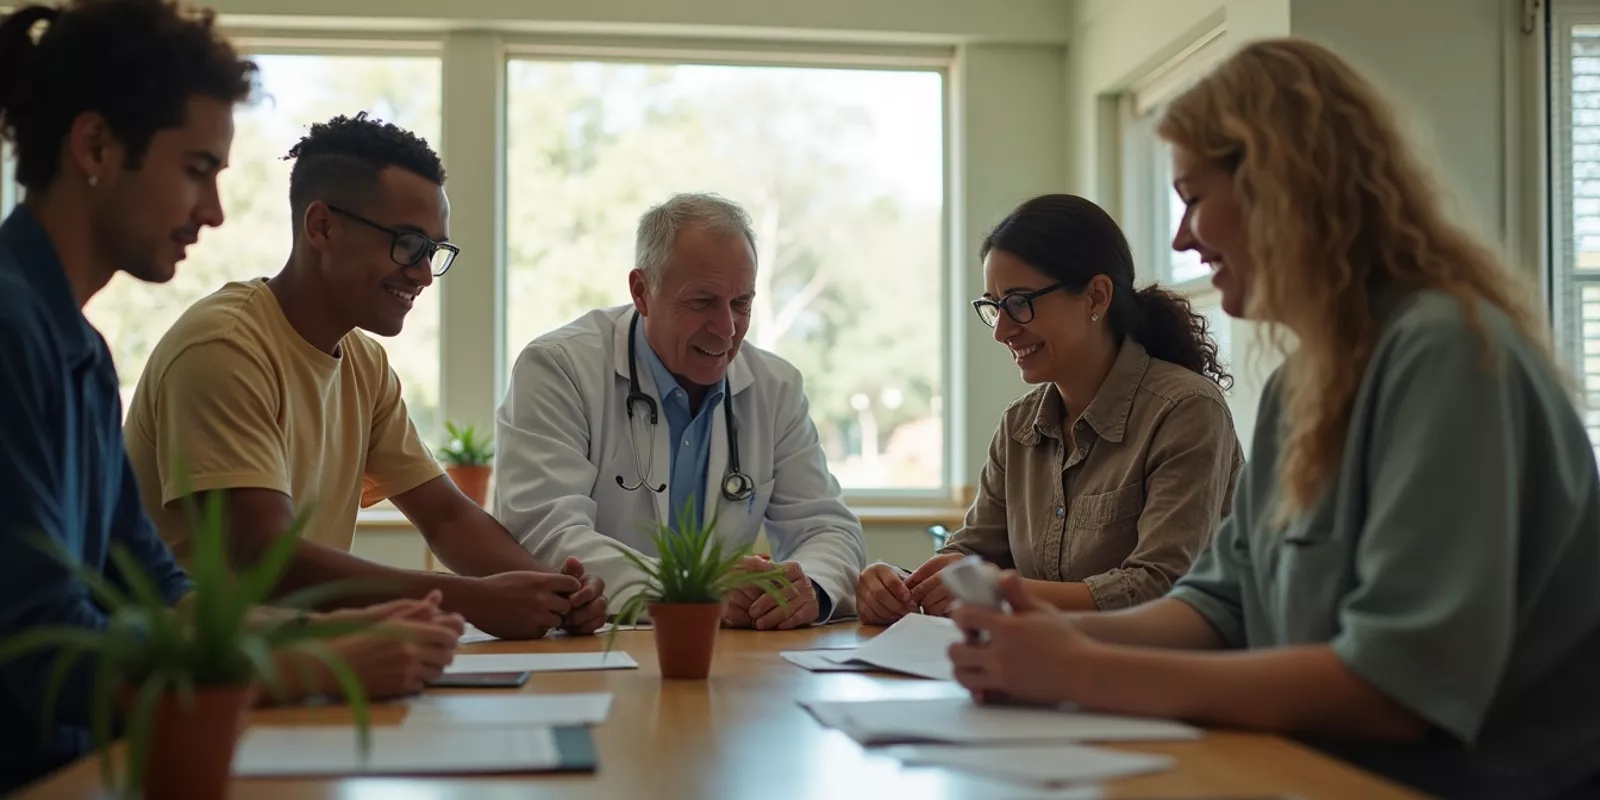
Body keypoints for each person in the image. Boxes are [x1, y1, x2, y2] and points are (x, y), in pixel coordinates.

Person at [946, 39, 1600, 800]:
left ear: (1279, 188)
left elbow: (1396, 686)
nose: (1181, 238)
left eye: (1192, 198)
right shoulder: (1302, 383)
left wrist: (1085, 669)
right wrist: (1050, 635)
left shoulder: (1447, 353)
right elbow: (1219, 606)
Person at [0, 1, 462, 792]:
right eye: (196, 170)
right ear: (96, 146)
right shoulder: (12, 331)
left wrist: (341, 628)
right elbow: (45, 652)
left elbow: (165, 592)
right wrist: (317, 659)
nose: (213, 212)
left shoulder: (77, 347)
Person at [122, 112, 606, 640]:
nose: (423, 273)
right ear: (322, 227)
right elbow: (266, 556)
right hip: (197, 683)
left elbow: (446, 517)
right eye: (407, 244)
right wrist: (468, 599)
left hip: (302, 664)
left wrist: (555, 592)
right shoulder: (224, 346)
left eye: (434, 251)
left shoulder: (364, 363)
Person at [856, 195, 1242, 625]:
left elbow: (1162, 588)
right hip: (1045, 675)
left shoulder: (1186, 411)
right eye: (994, 306)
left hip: (1160, 682)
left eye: (1020, 302)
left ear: (1096, 297)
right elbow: (971, 555)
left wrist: (997, 590)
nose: (1002, 330)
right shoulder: (1018, 426)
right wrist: (898, 585)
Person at [495, 193, 866, 629]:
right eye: (702, 302)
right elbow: (547, 537)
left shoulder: (775, 387)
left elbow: (828, 528)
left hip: (728, 658)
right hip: (595, 648)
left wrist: (809, 590)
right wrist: (696, 591)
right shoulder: (560, 368)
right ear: (641, 292)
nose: (727, 329)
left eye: (741, 303)